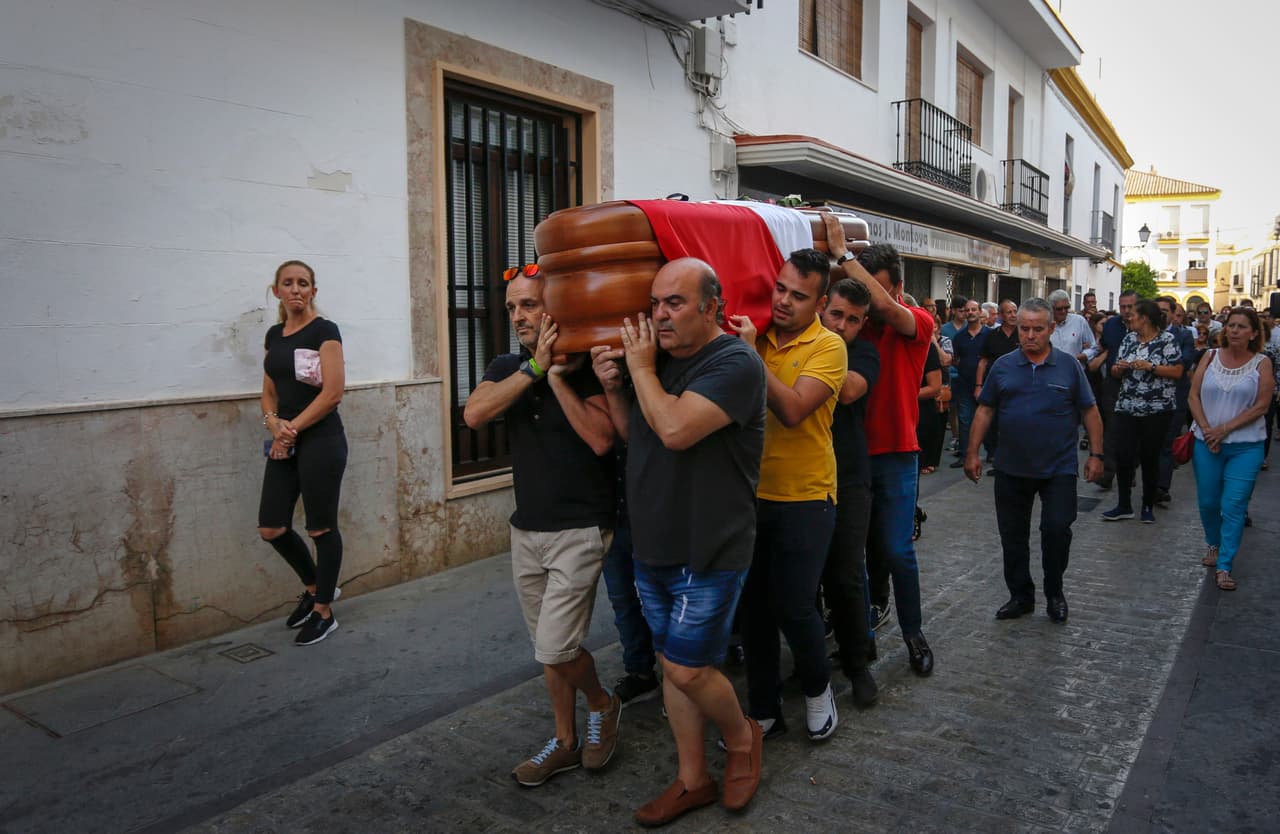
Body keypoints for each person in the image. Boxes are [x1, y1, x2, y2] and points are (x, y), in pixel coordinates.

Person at [591, 258, 766, 825]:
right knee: (673, 665)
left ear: (711, 307)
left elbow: (675, 429)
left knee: (690, 669)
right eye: (655, 303)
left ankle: (742, 738)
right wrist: (615, 386)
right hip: (654, 543)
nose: (659, 315)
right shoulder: (658, 363)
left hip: (710, 546)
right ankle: (693, 779)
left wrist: (640, 368)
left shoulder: (735, 363)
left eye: (675, 303)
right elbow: (635, 432)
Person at [463, 263, 621, 787]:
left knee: (554, 646)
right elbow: (474, 414)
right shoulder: (508, 366)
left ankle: (602, 703)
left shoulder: (586, 366)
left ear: (556, 308)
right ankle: (566, 740)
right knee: (550, 652)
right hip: (526, 527)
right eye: (512, 307)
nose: (518, 316)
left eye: (529, 304)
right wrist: (534, 369)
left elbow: (601, 439)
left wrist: (555, 377)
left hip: (581, 526)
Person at [728, 248, 845, 742]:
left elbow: (794, 410)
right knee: (753, 608)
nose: (783, 301)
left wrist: (751, 356)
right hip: (750, 495)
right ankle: (764, 709)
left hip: (806, 495)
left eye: (798, 296)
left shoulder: (829, 346)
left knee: (795, 606)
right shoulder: (755, 332)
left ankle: (818, 691)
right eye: (780, 289)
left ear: (819, 304)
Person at [827, 216, 936, 677]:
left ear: (897, 287)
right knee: (852, 558)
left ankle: (913, 634)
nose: (868, 305)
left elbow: (889, 310)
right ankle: (862, 641)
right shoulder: (854, 326)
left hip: (896, 454)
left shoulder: (916, 322)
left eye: (877, 292)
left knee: (896, 550)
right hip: (849, 457)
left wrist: (843, 255)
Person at [965, 298, 1104, 623]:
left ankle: (1054, 592)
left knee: (1056, 530)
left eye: (1037, 329)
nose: (1029, 335)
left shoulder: (1069, 367)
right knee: (1013, 537)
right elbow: (985, 410)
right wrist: (972, 453)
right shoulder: (1004, 366)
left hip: (1059, 468)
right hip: (1011, 467)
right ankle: (1021, 596)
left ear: (1051, 328)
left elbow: (1090, 411)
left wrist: (1096, 455)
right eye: (1024, 328)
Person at [258, 260, 349, 646]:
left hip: (321, 440)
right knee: (271, 527)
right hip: (285, 439)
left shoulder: (324, 331)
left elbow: (333, 393)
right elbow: (268, 392)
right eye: (288, 283)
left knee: (320, 527)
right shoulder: (274, 336)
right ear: (276, 291)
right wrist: (273, 424)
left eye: (303, 283)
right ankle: (315, 588)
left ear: (313, 291)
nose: (295, 289)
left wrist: (290, 430)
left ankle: (324, 612)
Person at [817, 277, 881, 709]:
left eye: (853, 320)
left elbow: (849, 390)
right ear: (822, 307)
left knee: (846, 575)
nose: (842, 325)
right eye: (836, 314)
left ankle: (858, 664)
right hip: (802, 476)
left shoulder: (864, 353)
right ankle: (812, 665)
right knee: (804, 581)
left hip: (849, 477)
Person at [1188, 307, 1274, 591]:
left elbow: (1262, 405)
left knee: (1233, 505)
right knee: (1208, 502)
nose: (1235, 330)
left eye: (1241, 326)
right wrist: (1207, 429)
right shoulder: (1210, 356)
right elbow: (1193, 395)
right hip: (1206, 443)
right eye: (1231, 325)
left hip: (1245, 446)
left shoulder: (1262, 363)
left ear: (1253, 333)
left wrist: (1224, 429)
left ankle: (1225, 565)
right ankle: (1213, 543)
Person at [1101, 299, 1184, 523]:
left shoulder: (1167, 340)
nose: (1128, 317)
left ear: (1144, 318)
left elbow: (1178, 371)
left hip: (1156, 409)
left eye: (1133, 314)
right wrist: (1119, 368)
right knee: (1124, 456)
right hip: (1127, 406)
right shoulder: (1129, 338)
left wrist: (1151, 367)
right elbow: (1115, 370)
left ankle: (1147, 505)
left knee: (1150, 457)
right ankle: (1124, 505)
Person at [601, 446, 659, 705]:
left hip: (652, 513)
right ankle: (641, 672)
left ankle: (682, 680)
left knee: (664, 600)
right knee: (622, 598)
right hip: (611, 513)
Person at [1154, 296, 1198, 507]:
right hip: (1150, 398)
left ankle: (1161, 487)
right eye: (1158, 311)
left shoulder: (1184, 335)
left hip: (1175, 397)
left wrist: (1154, 366)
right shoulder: (1145, 333)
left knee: (1166, 443)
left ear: (1173, 314)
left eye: (1165, 311)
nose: (1161, 314)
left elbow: (1184, 362)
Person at [1094, 291, 1138, 490]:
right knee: (1111, 429)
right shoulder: (1111, 325)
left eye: (1130, 306)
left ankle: (1129, 470)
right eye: (1123, 306)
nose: (1126, 311)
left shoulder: (1143, 325)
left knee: (1133, 432)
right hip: (1113, 383)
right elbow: (1103, 346)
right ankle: (1108, 472)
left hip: (1137, 385)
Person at [975, 299, 1020, 470]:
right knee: (992, 420)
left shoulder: (1023, 334)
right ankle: (992, 452)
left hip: (1017, 385)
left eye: (1015, 311)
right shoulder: (991, 336)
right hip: (995, 384)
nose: (1013, 315)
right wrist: (978, 386)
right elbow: (983, 361)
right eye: (1009, 312)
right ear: (1001, 315)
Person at [949, 299, 988, 469]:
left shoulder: (989, 335)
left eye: (974, 309)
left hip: (986, 385)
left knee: (988, 419)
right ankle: (965, 455)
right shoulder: (959, 337)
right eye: (967, 310)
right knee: (965, 420)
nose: (970, 312)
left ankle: (992, 453)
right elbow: (955, 359)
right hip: (964, 384)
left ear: (980, 312)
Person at [1047, 289, 1096, 362]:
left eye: (1066, 308)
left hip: (1075, 367)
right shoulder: (1044, 324)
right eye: (1059, 309)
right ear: (1051, 308)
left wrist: (1083, 355)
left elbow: (1093, 347)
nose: (1063, 311)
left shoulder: (1079, 321)